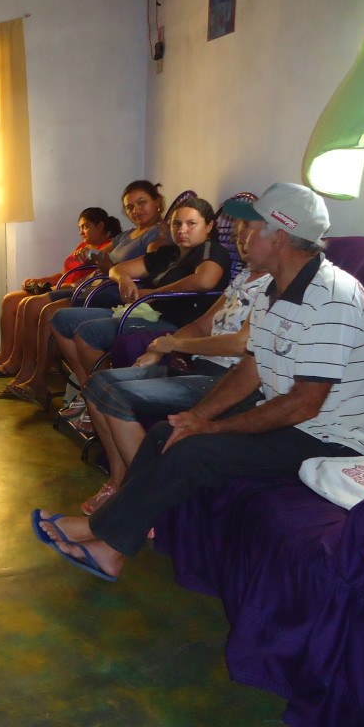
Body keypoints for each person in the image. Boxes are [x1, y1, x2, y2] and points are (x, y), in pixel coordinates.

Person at [33, 183, 364, 581]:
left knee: (195, 450)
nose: (240, 238)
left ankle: (101, 535)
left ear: (281, 237)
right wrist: (195, 417)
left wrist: (212, 427)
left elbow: (306, 403)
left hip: (329, 438)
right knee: (168, 432)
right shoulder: (274, 289)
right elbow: (251, 369)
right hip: (292, 419)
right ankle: (112, 548)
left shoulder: (332, 298)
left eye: (252, 228)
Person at [77, 219, 268, 513]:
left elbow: (241, 345)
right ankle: (119, 480)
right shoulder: (244, 275)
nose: (242, 237)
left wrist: (176, 345)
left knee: (115, 395)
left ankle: (143, 498)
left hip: (228, 380)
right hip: (200, 366)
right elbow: (203, 323)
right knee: (96, 386)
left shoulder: (275, 284)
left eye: (250, 230)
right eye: (240, 230)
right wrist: (158, 349)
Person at [50, 196, 231, 422]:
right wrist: (123, 279)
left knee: (87, 331)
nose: (182, 230)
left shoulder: (210, 250)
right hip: (145, 311)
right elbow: (118, 269)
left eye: (191, 224)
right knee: (60, 318)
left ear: (209, 226)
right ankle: (89, 391)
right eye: (176, 224)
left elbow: (205, 280)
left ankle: (93, 399)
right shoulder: (169, 253)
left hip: (176, 322)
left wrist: (154, 293)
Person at [0, 181, 169, 402]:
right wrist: (89, 255)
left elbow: (152, 263)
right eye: (129, 207)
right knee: (30, 304)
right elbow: (101, 257)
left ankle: (39, 381)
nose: (135, 210)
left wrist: (105, 263)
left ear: (158, 202)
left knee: (48, 311)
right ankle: (27, 373)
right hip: (93, 286)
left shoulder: (160, 233)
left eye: (141, 203)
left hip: (113, 293)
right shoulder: (126, 235)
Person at [0, 207, 121, 375]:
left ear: (100, 226)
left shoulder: (105, 251)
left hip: (73, 291)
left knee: (26, 304)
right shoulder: (83, 246)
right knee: (10, 300)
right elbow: (64, 274)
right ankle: (5, 354)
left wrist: (56, 287)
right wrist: (40, 281)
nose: (81, 232)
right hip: (59, 287)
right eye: (79, 228)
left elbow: (88, 280)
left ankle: (17, 361)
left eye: (85, 227)